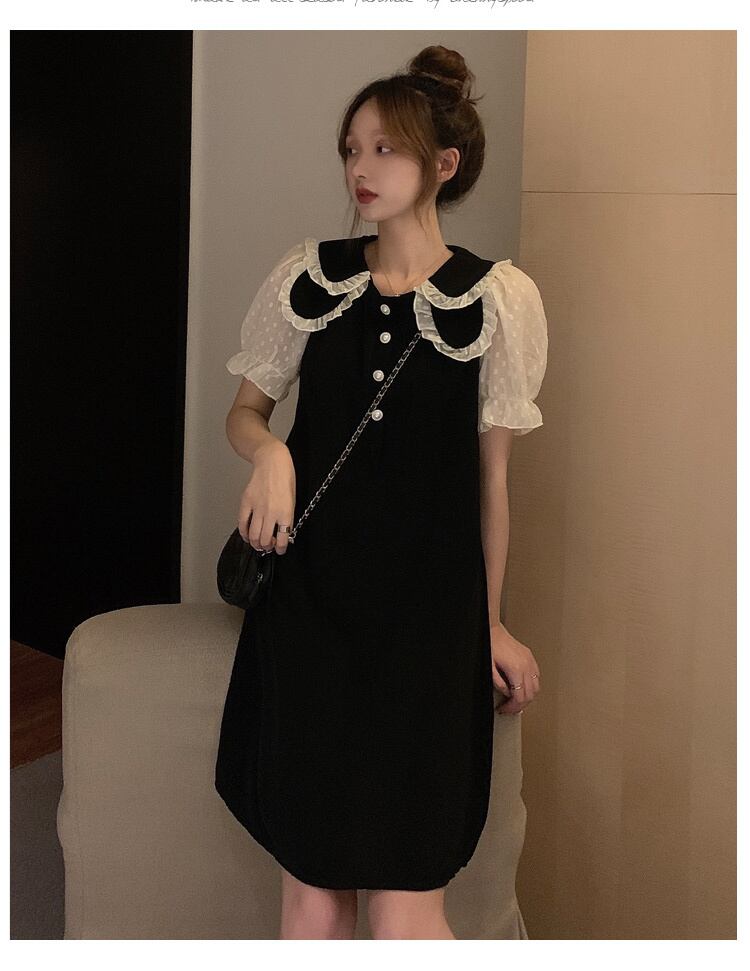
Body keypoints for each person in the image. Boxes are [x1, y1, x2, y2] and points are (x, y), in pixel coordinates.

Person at [214, 45, 548, 940]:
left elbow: (492, 483)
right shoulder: (308, 277)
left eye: (385, 149)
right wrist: (269, 454)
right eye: (351, 149)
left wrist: (490, 623)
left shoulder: (498, 300)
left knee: (405, 911)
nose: (360, 168)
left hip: (428, 631)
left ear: (444, 164)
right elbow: (245, 413)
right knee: (312, 893)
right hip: (310, 617)